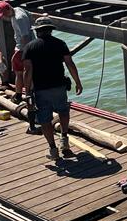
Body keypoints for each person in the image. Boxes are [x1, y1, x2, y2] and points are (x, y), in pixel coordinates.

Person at [21, 17, 83, 160]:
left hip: (41, 89)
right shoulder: (60, 44)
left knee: (44, 119)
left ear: (37, 31)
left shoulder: (30, 47)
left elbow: (27, 71)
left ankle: (53, 149)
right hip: (59, 86)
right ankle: (65, 139)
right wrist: (77, 82)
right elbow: (69, 63)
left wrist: (27, 91)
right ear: (50, 30)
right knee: (63, 111)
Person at [0, 0, 38, 93]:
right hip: (23, 48)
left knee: (24, 73)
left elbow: (25, 37)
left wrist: (26, 53)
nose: (4, 16)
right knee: (20, 73)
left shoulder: (19, 19)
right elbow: (32, 18)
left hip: (23, 49)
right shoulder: (18, 10)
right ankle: (21, 94)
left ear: (9, 8)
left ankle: (27, 93)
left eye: (4, 13)